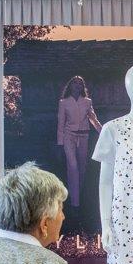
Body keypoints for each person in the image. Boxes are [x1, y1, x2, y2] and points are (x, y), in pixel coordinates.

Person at [56, 75, 101, 207]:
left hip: (83, 137)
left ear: (82, 87)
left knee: (82, 168)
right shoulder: (64, 102)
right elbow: (61, 123)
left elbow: (93, 119)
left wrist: (104, 132)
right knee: (73, 167)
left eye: (80, 83)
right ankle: (75, 203)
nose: (77, 85)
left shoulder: (87, 102)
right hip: (69, 136)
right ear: (70, 86)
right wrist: (60, 143)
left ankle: (76, 195)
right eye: (75, 83)